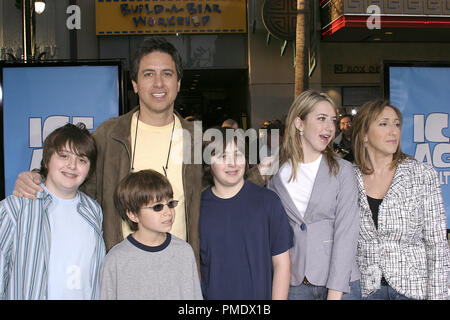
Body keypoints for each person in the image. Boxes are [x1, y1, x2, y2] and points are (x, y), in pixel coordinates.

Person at [12, 37, 266, 264]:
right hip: (122, 269)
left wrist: (266, 173)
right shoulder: (110, 135)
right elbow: (74, 174)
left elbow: (228, 185)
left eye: (167, 74)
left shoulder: (196, 140)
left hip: (180, 267)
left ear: (178, 83)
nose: (158, 83)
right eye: (148, 74)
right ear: (134, 84)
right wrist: (37, 178)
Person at [267, 90, 360, 300]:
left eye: (333, 120)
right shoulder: (276, 174)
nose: (330, 127)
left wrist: (335, 293)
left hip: (340, 284)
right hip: (293, 283)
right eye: (321, 119)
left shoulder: (343, 170)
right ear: (299, 123)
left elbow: (347, 233)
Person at [351, 100, 449, 300]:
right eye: (384, 124)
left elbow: (437, 244)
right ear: (364, 134)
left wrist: (439, 296)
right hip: (364, 290)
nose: (393, 131)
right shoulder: (348, 178)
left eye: (396, 124)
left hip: (412, 288)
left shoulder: (421, 174)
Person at [0, 123, 105, 300]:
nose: (72, 166)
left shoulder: (93, 211)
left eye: (82, 160)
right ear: (47, 160)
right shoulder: (15, 208)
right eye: (64, 156)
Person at [200, 127, 293, 300]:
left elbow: (282, 264)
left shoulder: (268, 202)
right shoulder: (198, 208)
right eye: (222, 156)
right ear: (207, 162)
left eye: (238, 154)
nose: (232, 164)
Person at [100, 169, 202, 300]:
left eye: (170, 204)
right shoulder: (115, 259)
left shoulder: (184, 251)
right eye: (157, 207)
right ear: (133, 214)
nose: (168, 212)